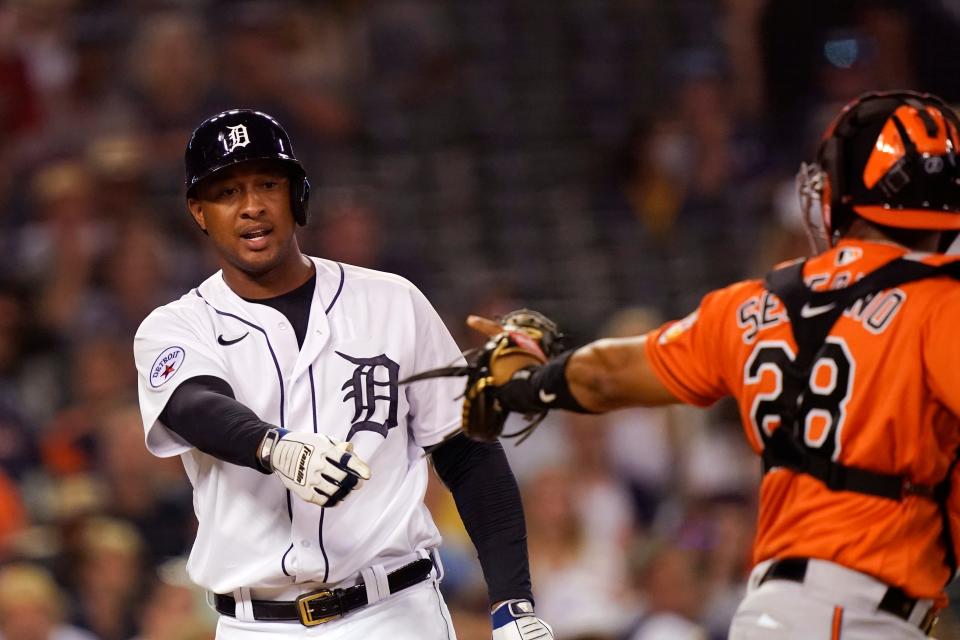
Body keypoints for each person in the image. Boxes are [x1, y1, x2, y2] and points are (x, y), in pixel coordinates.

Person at [464, 91, 960, 639]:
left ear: (838, 193)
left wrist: (525, 384)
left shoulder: (757, 302)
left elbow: (609, 374)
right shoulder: (942, 307)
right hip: (859, 616)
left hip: (783, 608)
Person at [133, 109, 552, 639]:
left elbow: (467, 451)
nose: (252, 207)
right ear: (198, 211)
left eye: (268, 184)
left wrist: (513, 603)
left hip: (394, 612)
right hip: (258, 626)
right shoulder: (175, 326)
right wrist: (275, 447)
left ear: (297, 196)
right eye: (227, 192)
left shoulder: (393, 301)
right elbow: (194, 405)